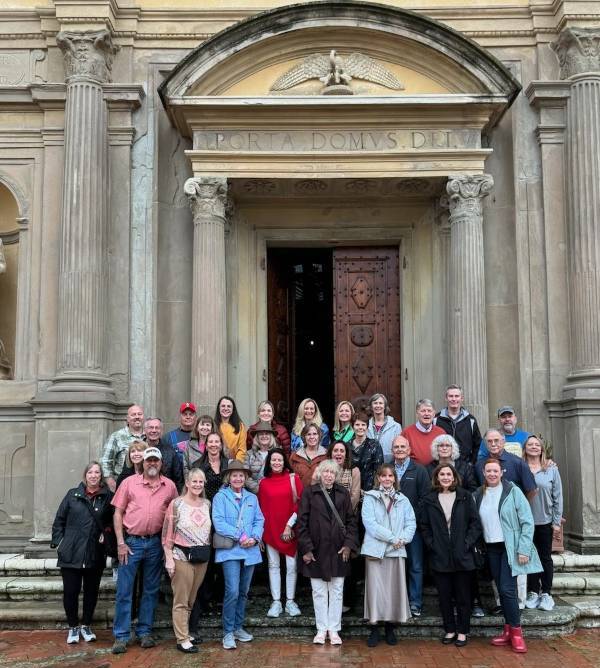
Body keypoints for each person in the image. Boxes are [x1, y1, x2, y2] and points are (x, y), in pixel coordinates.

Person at [110, 446, 178, 654]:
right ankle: (121, 635)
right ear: (142, 462)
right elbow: (117, 514)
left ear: (161, 464)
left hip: (156, 544)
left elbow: (174, 517)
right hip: (131, 543)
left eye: (155, 461)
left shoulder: (170, 487)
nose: (152, 464)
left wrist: (168, 544)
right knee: (125, 590)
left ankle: (144, 632)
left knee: (150, 590)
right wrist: (121, 542)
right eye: (148, 460)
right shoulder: (129, 483)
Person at [474, 459, 542, 654]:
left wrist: (523, 549)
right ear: (484, 473)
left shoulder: (513, 491)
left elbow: (527, 521)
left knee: (507, 589)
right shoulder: (478, 494)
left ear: (501, 472)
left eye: (495, 471)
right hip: (491, 548)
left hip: (510, 548)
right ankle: (507, 630)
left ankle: (517, 633)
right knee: (502, 590)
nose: (492, 474)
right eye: (489, 471)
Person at [419, 464, 482, 647]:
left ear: (454, 477)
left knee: (463, 597)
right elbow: (423, 525)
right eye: (442, 474)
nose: (445, 477)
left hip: (463, 556)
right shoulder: (429, 499)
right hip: (440, 556)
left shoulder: (465, 496)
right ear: (437, 478)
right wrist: (432, 544)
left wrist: (466, 543)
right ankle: (450, 630)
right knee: (444, 597)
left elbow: (475, 524)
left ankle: (462, 632)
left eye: (448, 474)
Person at [297, 459, 359, 645]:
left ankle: (334, 629)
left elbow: (351, 522)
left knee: (337, 590)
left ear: (336, 475)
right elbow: (302, 523)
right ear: (320, 474)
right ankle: (321, 629)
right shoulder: (309, 492)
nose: (329, 475)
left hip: (339, 550)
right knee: (319, 592)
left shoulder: (343, 493)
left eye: (332, 472)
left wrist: (348, 544)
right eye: (325, 472)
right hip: (316, 551)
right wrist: (306, 549)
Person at [51, 462, 113, 645]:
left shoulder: (107, 497)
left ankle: (86, 625)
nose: (93, 475)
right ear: (85, 475)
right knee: (70, 592)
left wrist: (106, 534)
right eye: (90, 472)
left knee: (91, 592)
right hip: (70, 552)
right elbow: (59, 520)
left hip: (95, 552)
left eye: (97, 472)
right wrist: (60, 542)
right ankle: (72, 627)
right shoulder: (72, 494)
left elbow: (112, 521)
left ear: (101, 476)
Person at [212, 460, 265, 650]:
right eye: (234, 475)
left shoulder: (252, 498)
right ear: (228, 477)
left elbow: (260, 519)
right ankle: (227, 632)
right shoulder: (220, 497)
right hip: (230, 551)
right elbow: (218, 522)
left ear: (246, 478)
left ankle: (238, 627)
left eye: (241, 475)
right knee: (232, 591)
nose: (238, 478)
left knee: (243, 591)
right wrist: (240, 536)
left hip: (250, 549)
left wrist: (255, 537)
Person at [361, 463, 415, 647]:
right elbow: (370, 523)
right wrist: (392, 538)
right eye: (383, 476)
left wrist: (404, 539)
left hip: (397, 550)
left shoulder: (403, 499)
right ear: (378, 478)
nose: (387, 479)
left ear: (395, 479)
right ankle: (374, 628)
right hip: (376, 550)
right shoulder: (370, 497)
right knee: (375, 591)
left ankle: (390, 628)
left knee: (394, 590)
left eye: (390, 476)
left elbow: (411, 522)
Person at [162, 468, 212, 654]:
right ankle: (182, 638)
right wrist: (169, 558)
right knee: (181, 599)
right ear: (188, 483)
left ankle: (185, 632)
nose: (198, 485)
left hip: (201, 558)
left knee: (191, 599)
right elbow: (167, 533)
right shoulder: (177, 504)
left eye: (201, 482)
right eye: (194, 481)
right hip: (181, 556)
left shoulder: (207, 504)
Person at [188, 431, 229, 632]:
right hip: (203, 518)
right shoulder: (198, 465)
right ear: (206, 444)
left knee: (222, 560)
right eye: (211, 441)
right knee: (206, 562)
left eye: (217, 442)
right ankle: (204, 601)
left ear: (221, 444)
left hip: (223, 518)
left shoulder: (228, 464)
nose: (214, 445)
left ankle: (220, 600)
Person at [257, 448, 304, 618]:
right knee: (273, 565)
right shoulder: (263, 483)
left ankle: (290, 601)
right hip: (270, 529)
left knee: (292, 566)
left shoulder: (294, 479)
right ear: (269, 462)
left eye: (279, 460)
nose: (277, 463)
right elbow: (260, 509)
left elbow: (300, 505)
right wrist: (260, 534)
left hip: (289, 529)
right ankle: (276, 602)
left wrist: (289, 526)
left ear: (284, 462)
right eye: (273, 460)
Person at [523, 435, 563, 611]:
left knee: (545, 557)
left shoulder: (551, 469)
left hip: (545, 521)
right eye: (530, 444)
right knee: (530, 558)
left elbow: (558, 496)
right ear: (525, 448)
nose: (534, 447)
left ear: (541, 449)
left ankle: (546, 593)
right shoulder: (521, 467)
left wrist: (556, 522)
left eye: (537, 444)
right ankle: (533, 591)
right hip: (525, 522)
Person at [391, 435, 429, 617]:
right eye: (396, 447)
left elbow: (425, 498)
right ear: (392, 450)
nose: (399, 450)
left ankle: (415, 602)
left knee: (415, 565)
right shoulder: (386, 469)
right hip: (390, 528)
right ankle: (396, 601)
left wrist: (410, 520)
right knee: (394, 565)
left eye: (402, 447)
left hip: (413, 528)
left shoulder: (419, 471)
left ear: (409, 449)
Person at [475, 430, 537, 499]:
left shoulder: (518, 463)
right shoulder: (479, 465)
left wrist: (520, 506)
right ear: (485, 444)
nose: (493, 444)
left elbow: (532, 490)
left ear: (503, 441)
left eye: (496, 440)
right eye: (489, 441)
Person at [101, 404, 144, 492]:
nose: (137, 417)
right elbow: (105, 461)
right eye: (133, 415)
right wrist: (111, 483)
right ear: (127, 419)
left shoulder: (149, 436)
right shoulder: (117, 436)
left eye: (139, 414)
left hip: (145, 486)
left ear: (143, 417)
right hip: (122, 486)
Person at [434, 385, 482, 464]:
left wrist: (471, 463)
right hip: (442, 466)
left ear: (461, 398)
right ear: (446, 398)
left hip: (465, 466)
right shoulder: (436, 419)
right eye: (451, 396)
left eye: (457, 396)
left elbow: (477, 445)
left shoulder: (470, 420)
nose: (454, 399)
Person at [144, 417, 184, 491]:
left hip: (165, 494)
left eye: (157, 428)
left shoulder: (170, 452)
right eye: (151, 427)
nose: (154, 430)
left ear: (161, 431)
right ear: (144, 430)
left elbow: (178, 479)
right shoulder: (137, 450)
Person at [402, 399, 446, 466]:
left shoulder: (441, 433)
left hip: (436, 473)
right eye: (423, 411)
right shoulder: (407, 433)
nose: (426, 414)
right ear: (417, 413)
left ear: (434, 414)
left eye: (429, 411)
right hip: (415, 473)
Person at [350, 411, 383, 493]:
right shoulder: (347, 446)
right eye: (357, 425)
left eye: (363, 425)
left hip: (369, 491)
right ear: (352, 426)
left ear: (367, 427)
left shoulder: (374, 445)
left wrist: (375, 490)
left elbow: (379, 470)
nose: (360, 427)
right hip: (351, 490)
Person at [289, 422, 328, 488]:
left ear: (319, 436)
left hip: (320, 495)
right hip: (301, 496)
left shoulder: (327, 455)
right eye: (308, 434)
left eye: (315, 434)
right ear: (304, 437)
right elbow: (290, 478)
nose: (312, 437)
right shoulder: (295, 456)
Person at [366, 393, 402, 463]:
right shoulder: (366, 425)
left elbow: (399, 447)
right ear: (371, 406)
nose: (378, 405)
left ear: (385, 406)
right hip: (369, 465)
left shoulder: (396, 426)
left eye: (380, 403)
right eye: (375, 403)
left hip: (389, 466)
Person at [244, 420, 277, 493]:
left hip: (272, 492)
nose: (264, 436)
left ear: (271, 436)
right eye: (261, 434)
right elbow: (245, 475)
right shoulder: (249, 454)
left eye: (267, 434)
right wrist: (258, 489)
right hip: (254, 494)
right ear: (257, 437)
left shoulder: (277, 454)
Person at [327, 440, 361, 510]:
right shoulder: (324, 471)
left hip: (347, 514)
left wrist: (342, 513)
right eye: (335, 450)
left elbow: (355, 497)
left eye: (342, 451)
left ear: (346, 454)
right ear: (331, 454)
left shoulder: (354, 471)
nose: (338, 453)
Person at [215, 395, 247, 462]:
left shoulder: (240, 426)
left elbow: (242, 450)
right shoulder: (213, 425)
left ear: (233, 409)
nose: (226, 408)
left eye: (229, 406)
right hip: (216, 462)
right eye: (223, 406)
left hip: (233, 464)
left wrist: (236, 464)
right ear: (219, 408)